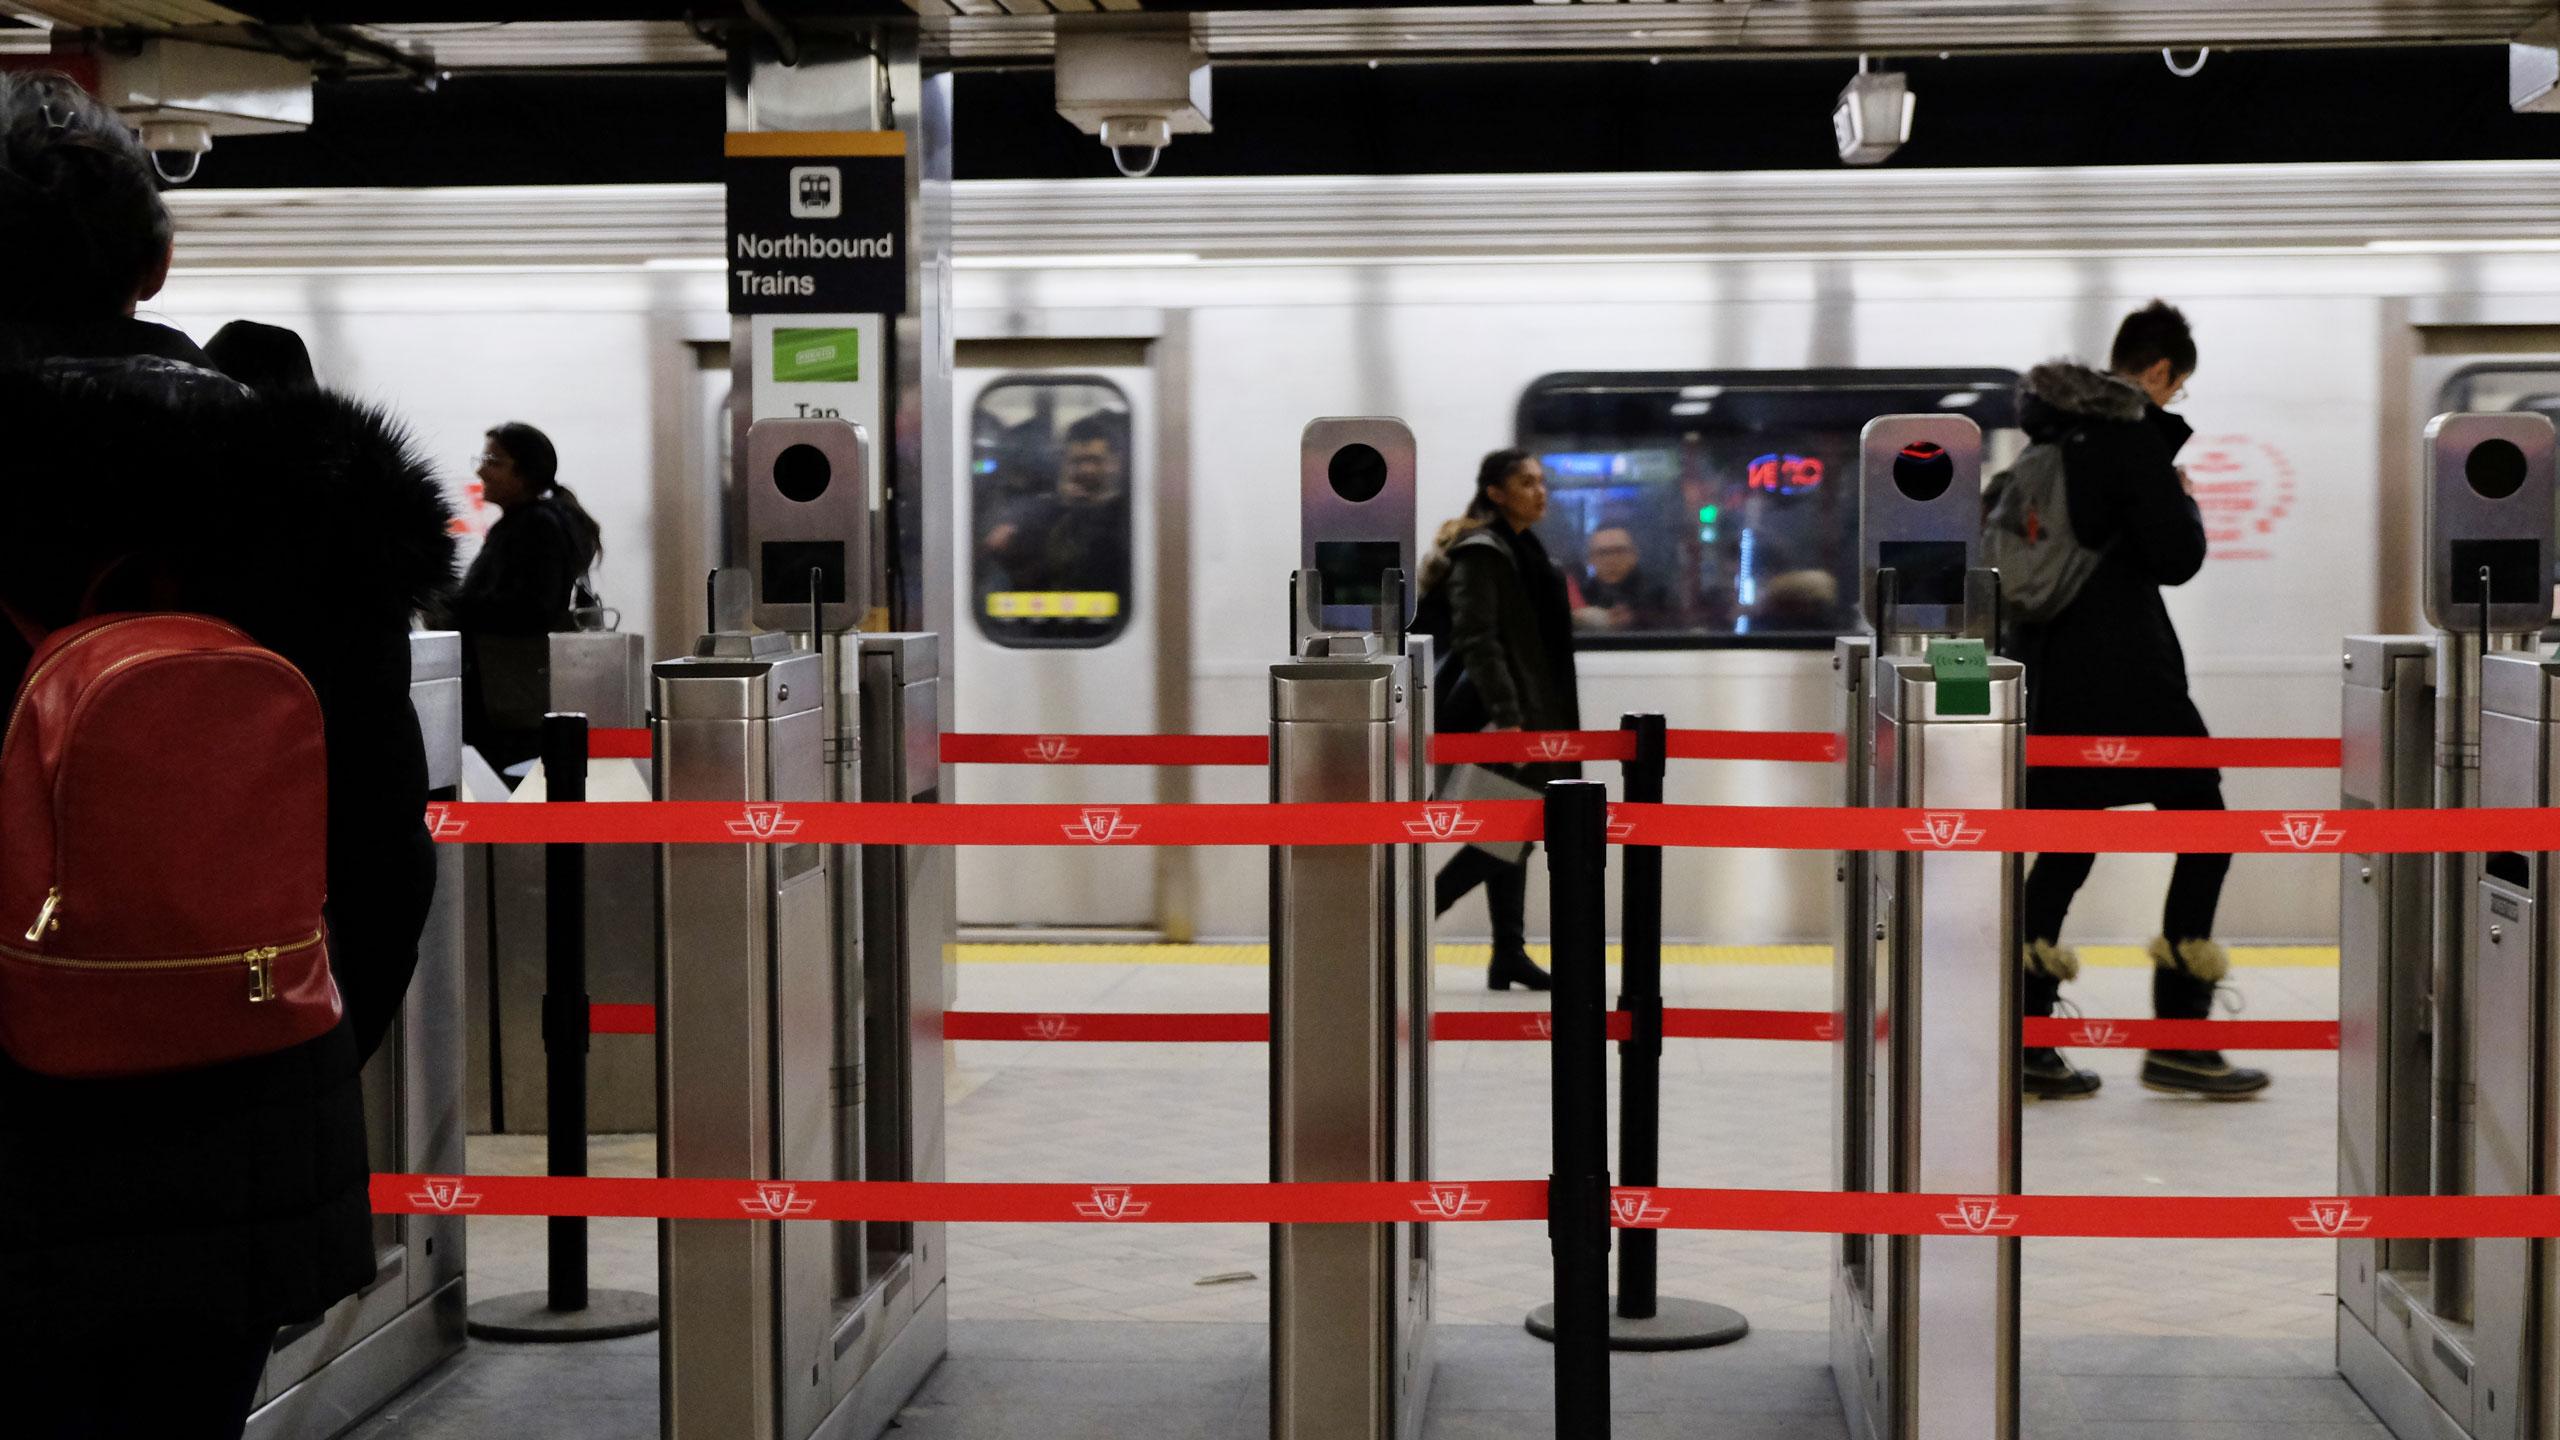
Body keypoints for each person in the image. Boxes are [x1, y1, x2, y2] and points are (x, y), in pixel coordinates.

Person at [0, 71, 455, 1438]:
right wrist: (287, 1061)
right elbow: (380, 849)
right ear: (155, 265)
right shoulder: (308, 499)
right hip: (234, 1114)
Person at [2002, 300, 2269, 1102]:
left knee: (2065, 849)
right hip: (2127, 676)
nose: (2173, 399)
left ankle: (2026, 1036)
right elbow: (2175, 557)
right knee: (2206, 829)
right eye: (2177, 388)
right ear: (2157, 372)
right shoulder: (2129, 438)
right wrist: (2181, 496)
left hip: (2054, 678)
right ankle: (2180, 1037)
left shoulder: (2052, 437)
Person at [1417, 448, 1582, 990]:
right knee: (1514, 828)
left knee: (1512, 829)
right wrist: (1509, 718)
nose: (1540, 491)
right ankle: (1414, 917)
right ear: (1495, 493)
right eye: (1526, 482)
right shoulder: (1483, 552)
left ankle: (1507, 952)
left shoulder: (1522, 548)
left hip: (1529, 710)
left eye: (1541, 481)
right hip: (1499, 717)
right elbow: (1477, 638)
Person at [440, 421, 603, 774]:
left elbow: (533, 608)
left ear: (526, 472)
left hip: (510, 699)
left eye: (494, 461)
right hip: (511, 696)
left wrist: (456, 605)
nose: (481, 470)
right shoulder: (531, 522)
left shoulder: (535, 526)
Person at [1572, 524, 1674, 631]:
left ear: (1634, 555)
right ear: (1590, 559)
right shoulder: (1581, 594)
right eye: (1603, 553)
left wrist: (1635, 619)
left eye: (1619, 551)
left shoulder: (1659, 593)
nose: (1611, 560)